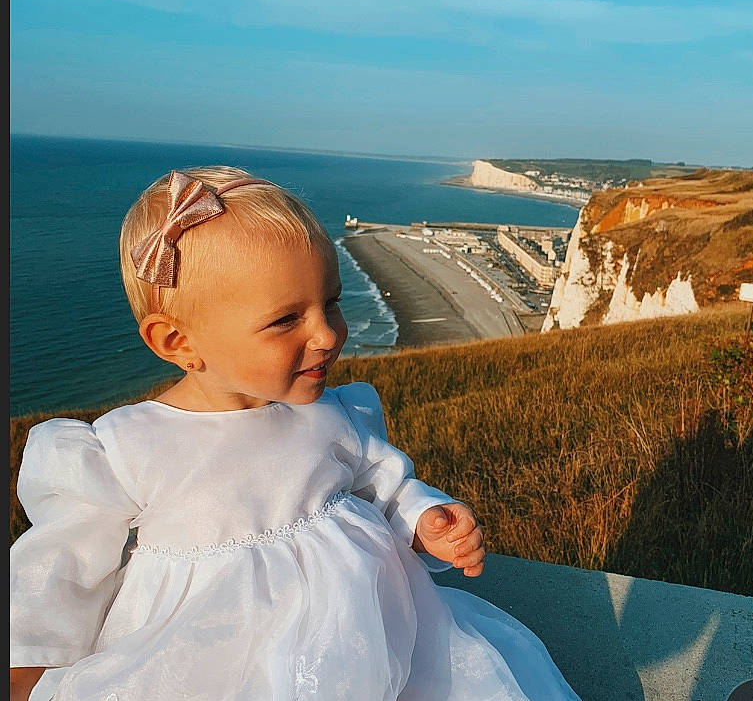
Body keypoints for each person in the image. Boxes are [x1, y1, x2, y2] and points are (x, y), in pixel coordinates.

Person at [10, 166, 581, 701]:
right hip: (209, 662)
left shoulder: (332, 414)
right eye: (287, 320)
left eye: (330, 303)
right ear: (177, 343)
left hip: (376, 637)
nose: (328, 334)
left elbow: (383, 486)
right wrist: (26, 670)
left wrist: (423, 518)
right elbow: (59, 572)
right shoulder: (123, 450)